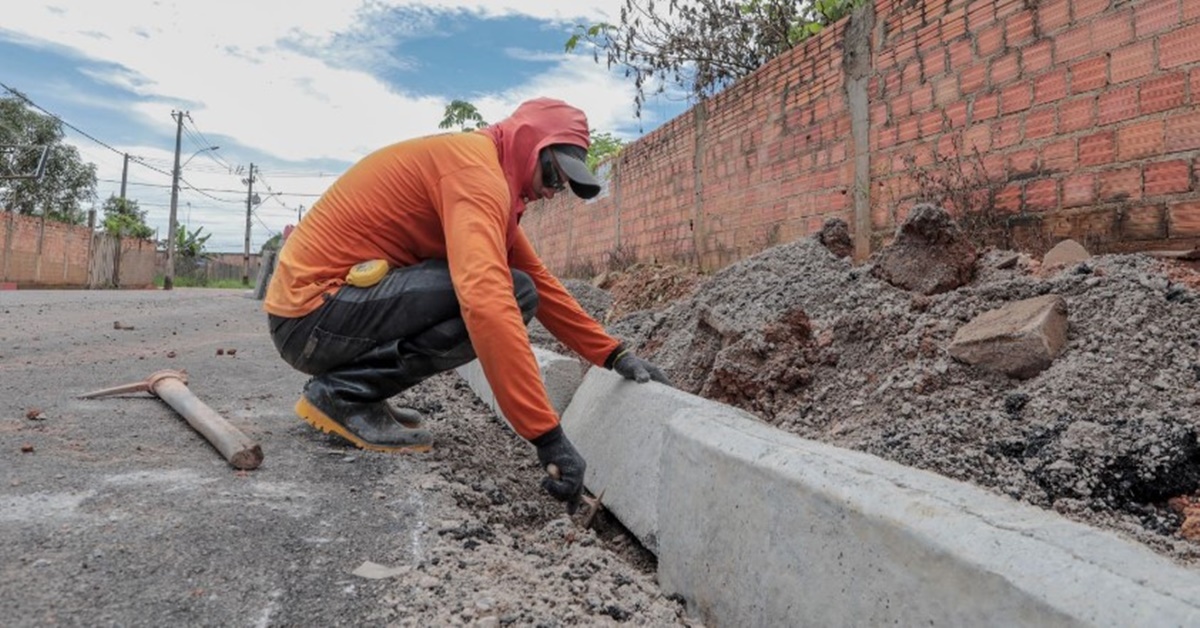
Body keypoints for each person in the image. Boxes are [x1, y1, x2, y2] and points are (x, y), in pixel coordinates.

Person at [264, 97, 670, 512]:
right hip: (312, 318)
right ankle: (345, 394)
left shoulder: (484, 172)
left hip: (319, 316)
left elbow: (541, 283)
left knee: (521, 286)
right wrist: (547, 437)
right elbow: (487, 301)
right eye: (553, 174)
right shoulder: (476, 175)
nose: (552, 191)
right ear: (529, 143)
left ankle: (354, 391)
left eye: (562, 185)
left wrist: (613, 355)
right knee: (507, 292)